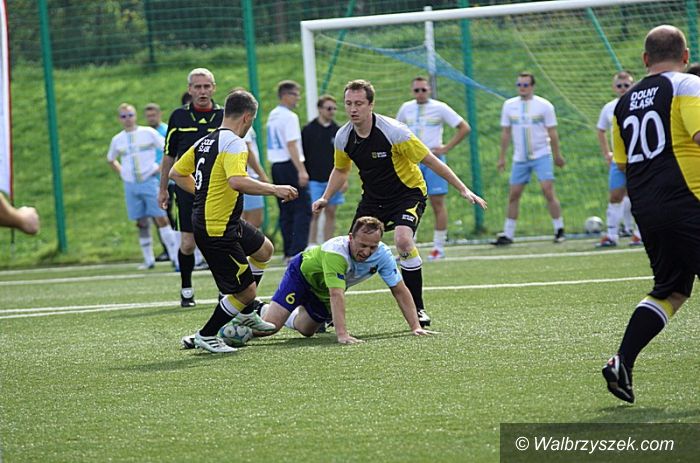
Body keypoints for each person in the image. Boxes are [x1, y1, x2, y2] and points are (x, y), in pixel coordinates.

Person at [312, 79, 487, 328]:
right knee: (351, 249)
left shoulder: (395, 132)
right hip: (373, 199)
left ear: (371, 105)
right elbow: (341, 170)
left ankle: (418, 308)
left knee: (403, 240)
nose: (353, 109)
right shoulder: (343, 137)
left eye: (359, 103)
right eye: (348, 103)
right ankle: (325, 311)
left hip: (408, 193)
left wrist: (463, 189)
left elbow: (431, 160)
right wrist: (325, 197)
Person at [602, 25, 700, 403]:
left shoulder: (622, 104)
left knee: (672, 289)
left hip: (647, 207)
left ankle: (622, 361)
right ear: (685, 56)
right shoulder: (687, 85)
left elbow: (622, 163)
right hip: (689, 199)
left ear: (645, 59)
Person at [170, 89, 299, 353]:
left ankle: (246, 314)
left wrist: (204, 192)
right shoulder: (235, 144)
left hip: (225, 220)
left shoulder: (206, 141)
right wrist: (274, 189)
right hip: (216, 227)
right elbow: (237, 181)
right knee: (246, 292)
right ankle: (206, 335)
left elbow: (176, 172)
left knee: (264, 250)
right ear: (247, 117)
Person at [223, 216, 436, 345]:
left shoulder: (383, 255)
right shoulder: (337, 252)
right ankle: (248, 317)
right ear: (351, 237)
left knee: (306, 330)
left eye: (372, 247)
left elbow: (399, 290)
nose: (366, 252)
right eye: (362, 245)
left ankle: (264, 308)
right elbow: (337, 294)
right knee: (268, 329)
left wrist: (415, 327)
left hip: (322, 291)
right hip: (301, 275)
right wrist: (342, 334)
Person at [158, 68, 223, 307]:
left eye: (206, 86)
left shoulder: (224, 116)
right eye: (198, 87)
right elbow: (169, 155)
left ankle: (225, 290)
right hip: (186, 188)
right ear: (190, 90)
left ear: (214, 88)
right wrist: (162, 189)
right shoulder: (179, 117)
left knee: (219, 242)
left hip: (217, 190)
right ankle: (186, 288)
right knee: (188, 243)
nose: (202, 91)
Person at [396, 76, 471, 260]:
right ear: (412, 91)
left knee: (437, 203)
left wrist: (446, 148)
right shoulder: (406, 108)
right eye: (417, 90)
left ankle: (438, 247)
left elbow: (464, 127)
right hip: (411, 162)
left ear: (429, 90)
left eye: (423, 89)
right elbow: (396, 130)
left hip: (433, 161)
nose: (420, 93)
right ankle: (407, 246)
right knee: (407, 203)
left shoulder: (440, 107)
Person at [493, 72, 566, 245]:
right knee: (514, 194)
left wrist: (557, 155)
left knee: (548, 190)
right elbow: (505, 133)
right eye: (519, 85)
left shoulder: (544, 105)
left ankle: (559, 229)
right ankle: (508, 234)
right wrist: (502, 157)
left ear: (532, 86)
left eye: (525, 85)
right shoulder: (509, 105)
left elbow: (552, 132)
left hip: (541, 154)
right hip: (520, 158)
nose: (522, 88)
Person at [107, 103, 180, 270]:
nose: (127, 119)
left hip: (149, 181)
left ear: (135, 116)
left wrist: (158, 168)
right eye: (123, 116)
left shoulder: (148, 133)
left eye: (130, 115)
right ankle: (148, 260)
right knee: (140, 221)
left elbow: (168, 149)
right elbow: (111, 159)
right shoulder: (117, 139)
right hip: (131, 184)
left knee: (161, 217)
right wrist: (123, 173)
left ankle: (175, 257)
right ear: (119, 119)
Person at [595, 72, 643, 248]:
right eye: (619, 85)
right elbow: (601, 130)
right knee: (615, 196)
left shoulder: (639, 103)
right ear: (614, 87)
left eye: (626, 85)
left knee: (639, 195)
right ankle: (612, 235)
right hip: (619, 159)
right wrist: (607, 153)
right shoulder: (609, 107)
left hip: (638, 158)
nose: (623, 89)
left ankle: (640, 234)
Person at [266, 80, 311, 263]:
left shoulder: (273, 115)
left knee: (286, 210)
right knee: (302, 209)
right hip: (289, 164)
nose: (298, 98)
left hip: (276, 166)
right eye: (295, 95)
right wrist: (301, 170)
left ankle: (287, 251)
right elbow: (291, 144)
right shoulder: (289, 117)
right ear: (285, 95)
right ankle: (297, 251)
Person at [302, 95, 344, 246]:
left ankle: (328, 243)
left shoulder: (338, 131)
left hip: (332, 180)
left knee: (331, 211)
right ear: (320, 109)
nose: (332, 111)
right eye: (328, 108)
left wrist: (343, 180)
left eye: (334, 108)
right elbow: (303, 154)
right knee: (314, 212)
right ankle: (311, 243)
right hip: (314, 179)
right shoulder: (308, 130)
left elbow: (344, 159)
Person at [144, 102, 177, 262]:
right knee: (158, 215)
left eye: (153, 115)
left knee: (168, 214)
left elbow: (171, 153)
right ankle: (167, 249)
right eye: (148, 116)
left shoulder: (166, 131)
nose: (151, 118)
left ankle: (177, 248)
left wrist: (162, 169)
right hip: (153, 180)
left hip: (168, 180)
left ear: (159, 114)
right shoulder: (145, 133)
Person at [241, 127, 269, 228]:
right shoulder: (243, 124)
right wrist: (261, 175)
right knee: (253, 220)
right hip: (249, 176)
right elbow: (247, 151)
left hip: (245, 176)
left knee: (246, 220)